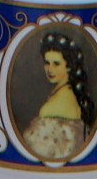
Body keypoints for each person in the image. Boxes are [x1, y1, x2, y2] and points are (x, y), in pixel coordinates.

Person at [23, 32, 90, 165]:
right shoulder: (61, 91)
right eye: (47, 63)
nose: (50, 69)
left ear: (69, 66)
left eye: (56, 64)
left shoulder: (61, 101)